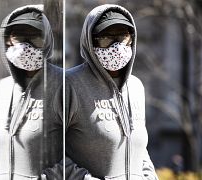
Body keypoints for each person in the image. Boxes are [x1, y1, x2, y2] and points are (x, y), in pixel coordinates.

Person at [65, 4, 159, 180]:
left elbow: (139, 149)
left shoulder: (136, 87)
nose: (117, 46)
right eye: (106, 38)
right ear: (90, 40)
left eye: (123, 37)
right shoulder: (68, 85)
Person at [0, 4, 63, 180]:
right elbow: (2, 156)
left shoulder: (63, 85)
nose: (26, 46)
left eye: (36, 38)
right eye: (19, 37)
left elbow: (77, 155)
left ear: (48, 41)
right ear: (7, 40)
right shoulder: (4, 88)